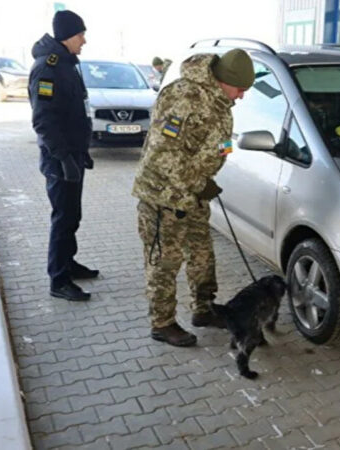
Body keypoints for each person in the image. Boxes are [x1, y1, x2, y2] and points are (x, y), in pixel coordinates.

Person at [133, 49, 255, 346]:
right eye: (239, 89)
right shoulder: (184, 97)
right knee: (165, 262)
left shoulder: (219, 101)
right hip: (164, 196)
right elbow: (162, 155)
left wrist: (203, 182)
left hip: (193, 194)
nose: (241, 97)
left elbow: (214, 146)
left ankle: (203, 310)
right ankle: (162, 324)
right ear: (224, 80)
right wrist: (196, 182)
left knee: (202, 254)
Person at [28, 10, 98, 302]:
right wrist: (64, 158)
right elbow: (44, 120)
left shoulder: (67, 65)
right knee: (62, 218)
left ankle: (68, 263)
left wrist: (81, 153)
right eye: (81, 34)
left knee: (72, 216)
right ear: (68, 35)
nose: (84, 40)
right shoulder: (48, 68)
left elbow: (75, 111)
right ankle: (59, 279)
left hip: (73, 155)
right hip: (60, 161)